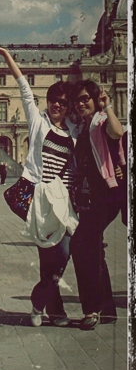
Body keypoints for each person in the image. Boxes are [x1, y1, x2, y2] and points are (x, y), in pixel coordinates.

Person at [0, 45, 79, 328]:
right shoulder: (38, 122)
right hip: (40, 198)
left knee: (63, 255)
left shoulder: (74, 130)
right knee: (49, 259)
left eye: (62, 102)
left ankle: (39, 304)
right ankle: (53, 312)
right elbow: (24, 87)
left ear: (68, 105)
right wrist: (6, 55)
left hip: (64, 200)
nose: (57, 105)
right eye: (53, 100)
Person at [70, 81, 125, 330]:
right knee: (92, 248)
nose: (80, 103)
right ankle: (108, 310)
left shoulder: (101, 121)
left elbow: (117, 132)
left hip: (106, 195)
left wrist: (108, 106)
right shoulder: (84, 127)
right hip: (93, 197)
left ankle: (91, 309)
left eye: (85, 99)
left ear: (95, 99)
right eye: (77, 100)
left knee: (81, 244)